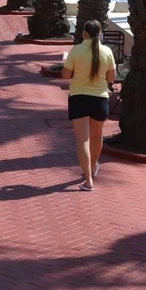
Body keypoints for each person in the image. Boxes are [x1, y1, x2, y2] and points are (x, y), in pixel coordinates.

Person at [61, 20, 116, 191]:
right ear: (100, 34)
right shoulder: (107, 51)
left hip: (79, 98)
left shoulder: (76, 50)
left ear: (85, 33)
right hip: (100, 99)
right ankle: (92, 167)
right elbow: (111, 78)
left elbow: (65, 75)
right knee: (97, 136)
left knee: (82, 140)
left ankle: (88, 180)